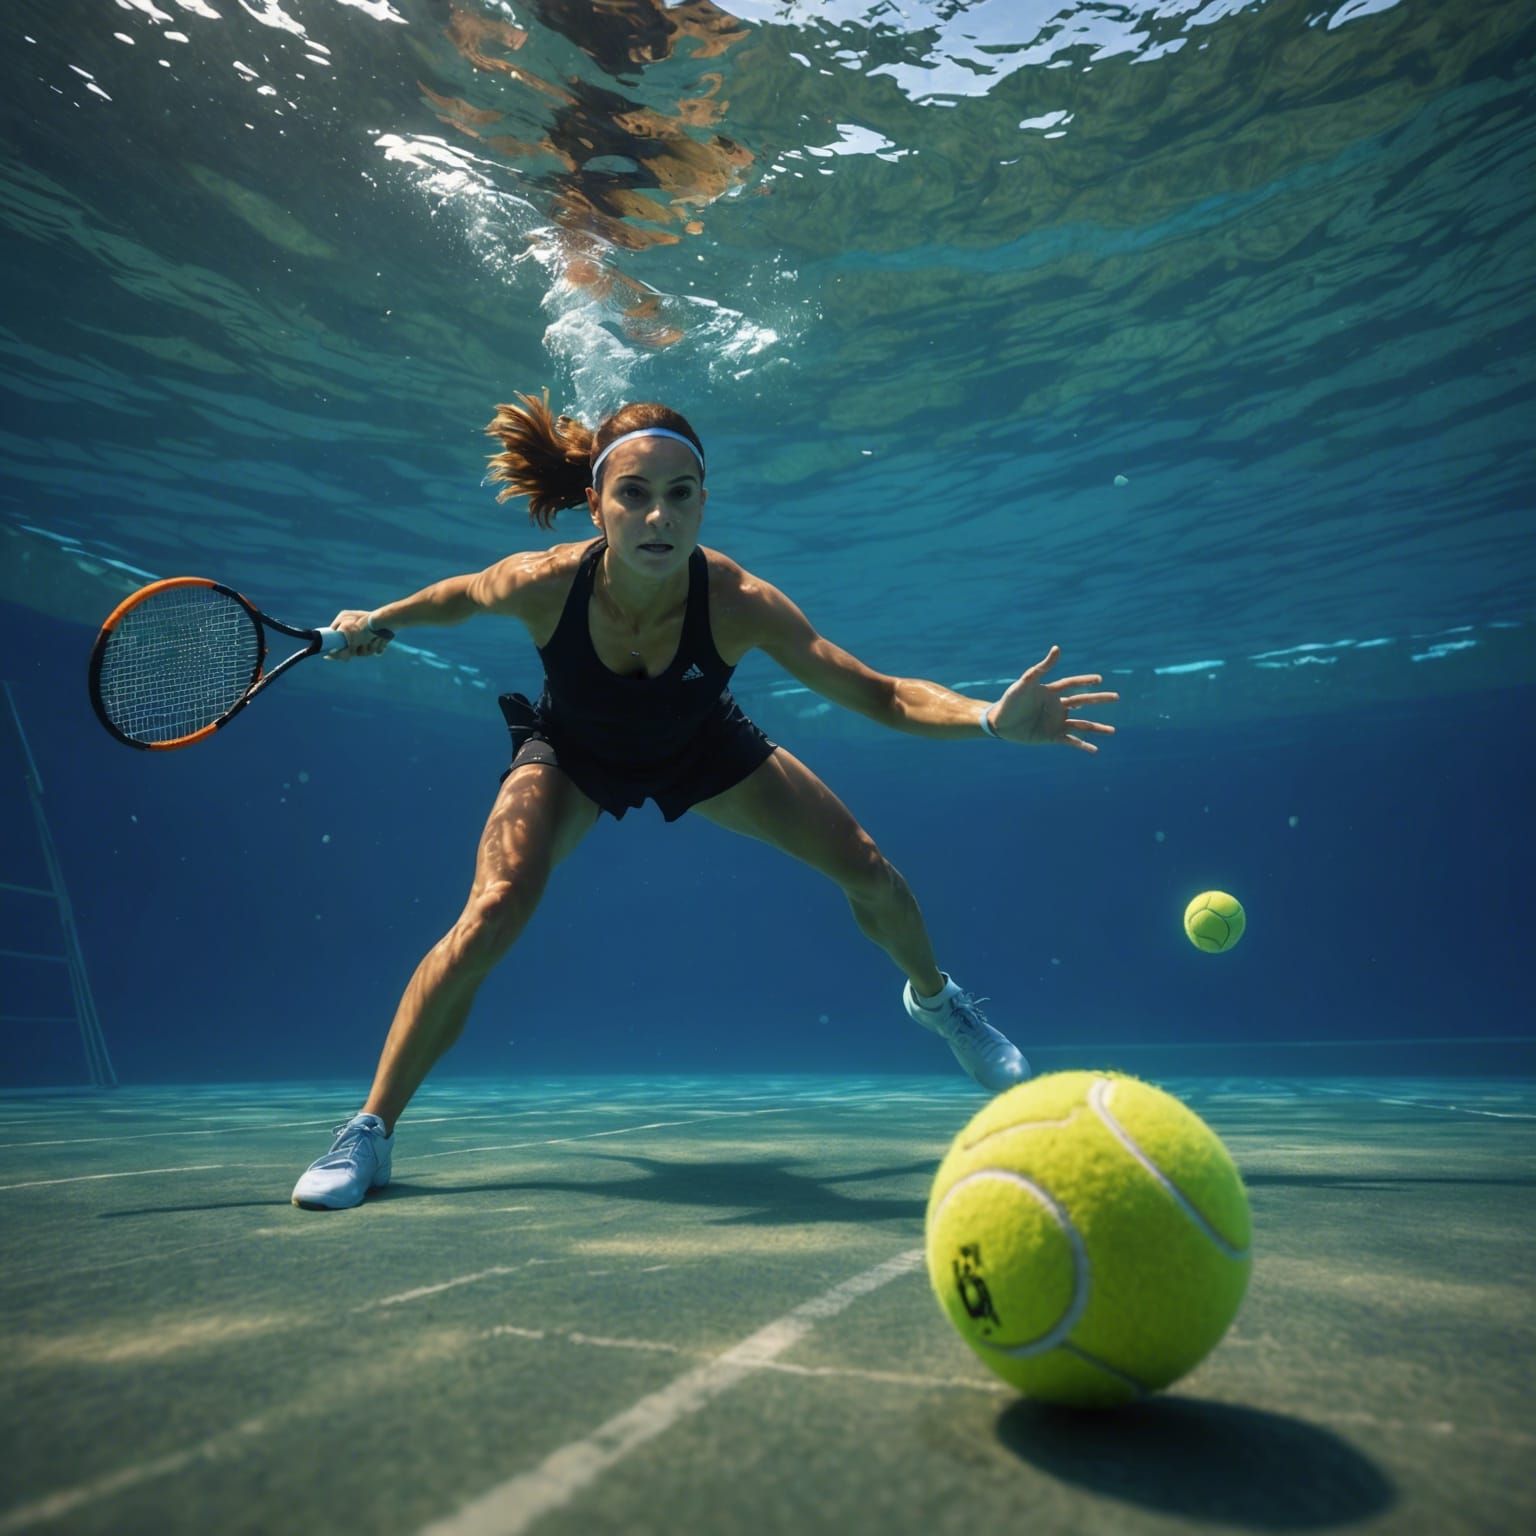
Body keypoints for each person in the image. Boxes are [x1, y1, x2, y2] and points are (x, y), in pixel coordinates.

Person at [291, 394, 1117, 1209]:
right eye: (635, 495)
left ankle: (938, 1003)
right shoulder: (541, 584)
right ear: (596, 505)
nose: (659, 517)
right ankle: (369, 1131)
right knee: (491, 912)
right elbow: (461, 595)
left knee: (871, 873)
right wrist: (378, 620)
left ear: (703, 503)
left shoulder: (739, 601)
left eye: (680, 495)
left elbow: (883, 695)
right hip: (574, 753)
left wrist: (988, 720)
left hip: (701, 747)